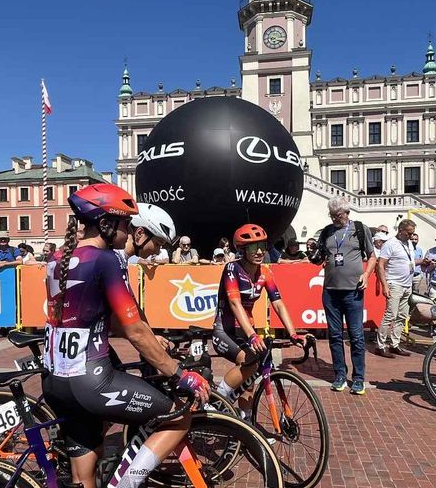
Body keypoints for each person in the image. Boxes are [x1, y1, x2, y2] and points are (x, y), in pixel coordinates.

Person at [43, 183, 209, 488]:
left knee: (84, 478)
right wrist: (180, 373)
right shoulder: (107, 260)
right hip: (91, 380)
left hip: (55, 380)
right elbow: (134, 330)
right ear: (106, 225)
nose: (129, 229)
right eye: (124, 223)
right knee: (177, 416)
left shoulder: (57, 259)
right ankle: (125, 484)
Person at [212, 223, 303, 413]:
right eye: (254, 247)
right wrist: (253, 335)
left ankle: (245, 425)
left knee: (250, 382)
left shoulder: (265, 272)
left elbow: (278, 303)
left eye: (263, 246)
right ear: (242, 250)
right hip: (225, 330)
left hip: (246, 330)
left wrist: (293, 333)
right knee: (250, 362)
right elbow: (235, 304)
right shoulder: (232, 269)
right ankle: (215, 402)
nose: (260, 251)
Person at [310, 196, 374, 395]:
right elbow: (319, 256)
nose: (334, 219)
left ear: (347, 213)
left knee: (356, 335)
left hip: (353, 291)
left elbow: (372, 256)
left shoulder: (360, 229)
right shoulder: (327, 232)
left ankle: (358, 378)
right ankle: (339, 374)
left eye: (337, 215)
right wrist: (314, 255)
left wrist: (366, 274)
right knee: (335, 335)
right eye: (331, 215)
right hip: (330, 291)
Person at [374, 220, 418, 357]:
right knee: (390, 315)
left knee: (402, 316)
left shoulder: (408, 243)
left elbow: (407, 261)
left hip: (407, 284)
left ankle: (395, 344)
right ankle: (380, 345)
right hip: (394, 284)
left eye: (412, 233)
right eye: (409, 233)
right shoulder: (390, 244)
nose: (411, 236)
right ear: (401, 230)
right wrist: (385, 285)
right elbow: (380, 264)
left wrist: (422, 262)